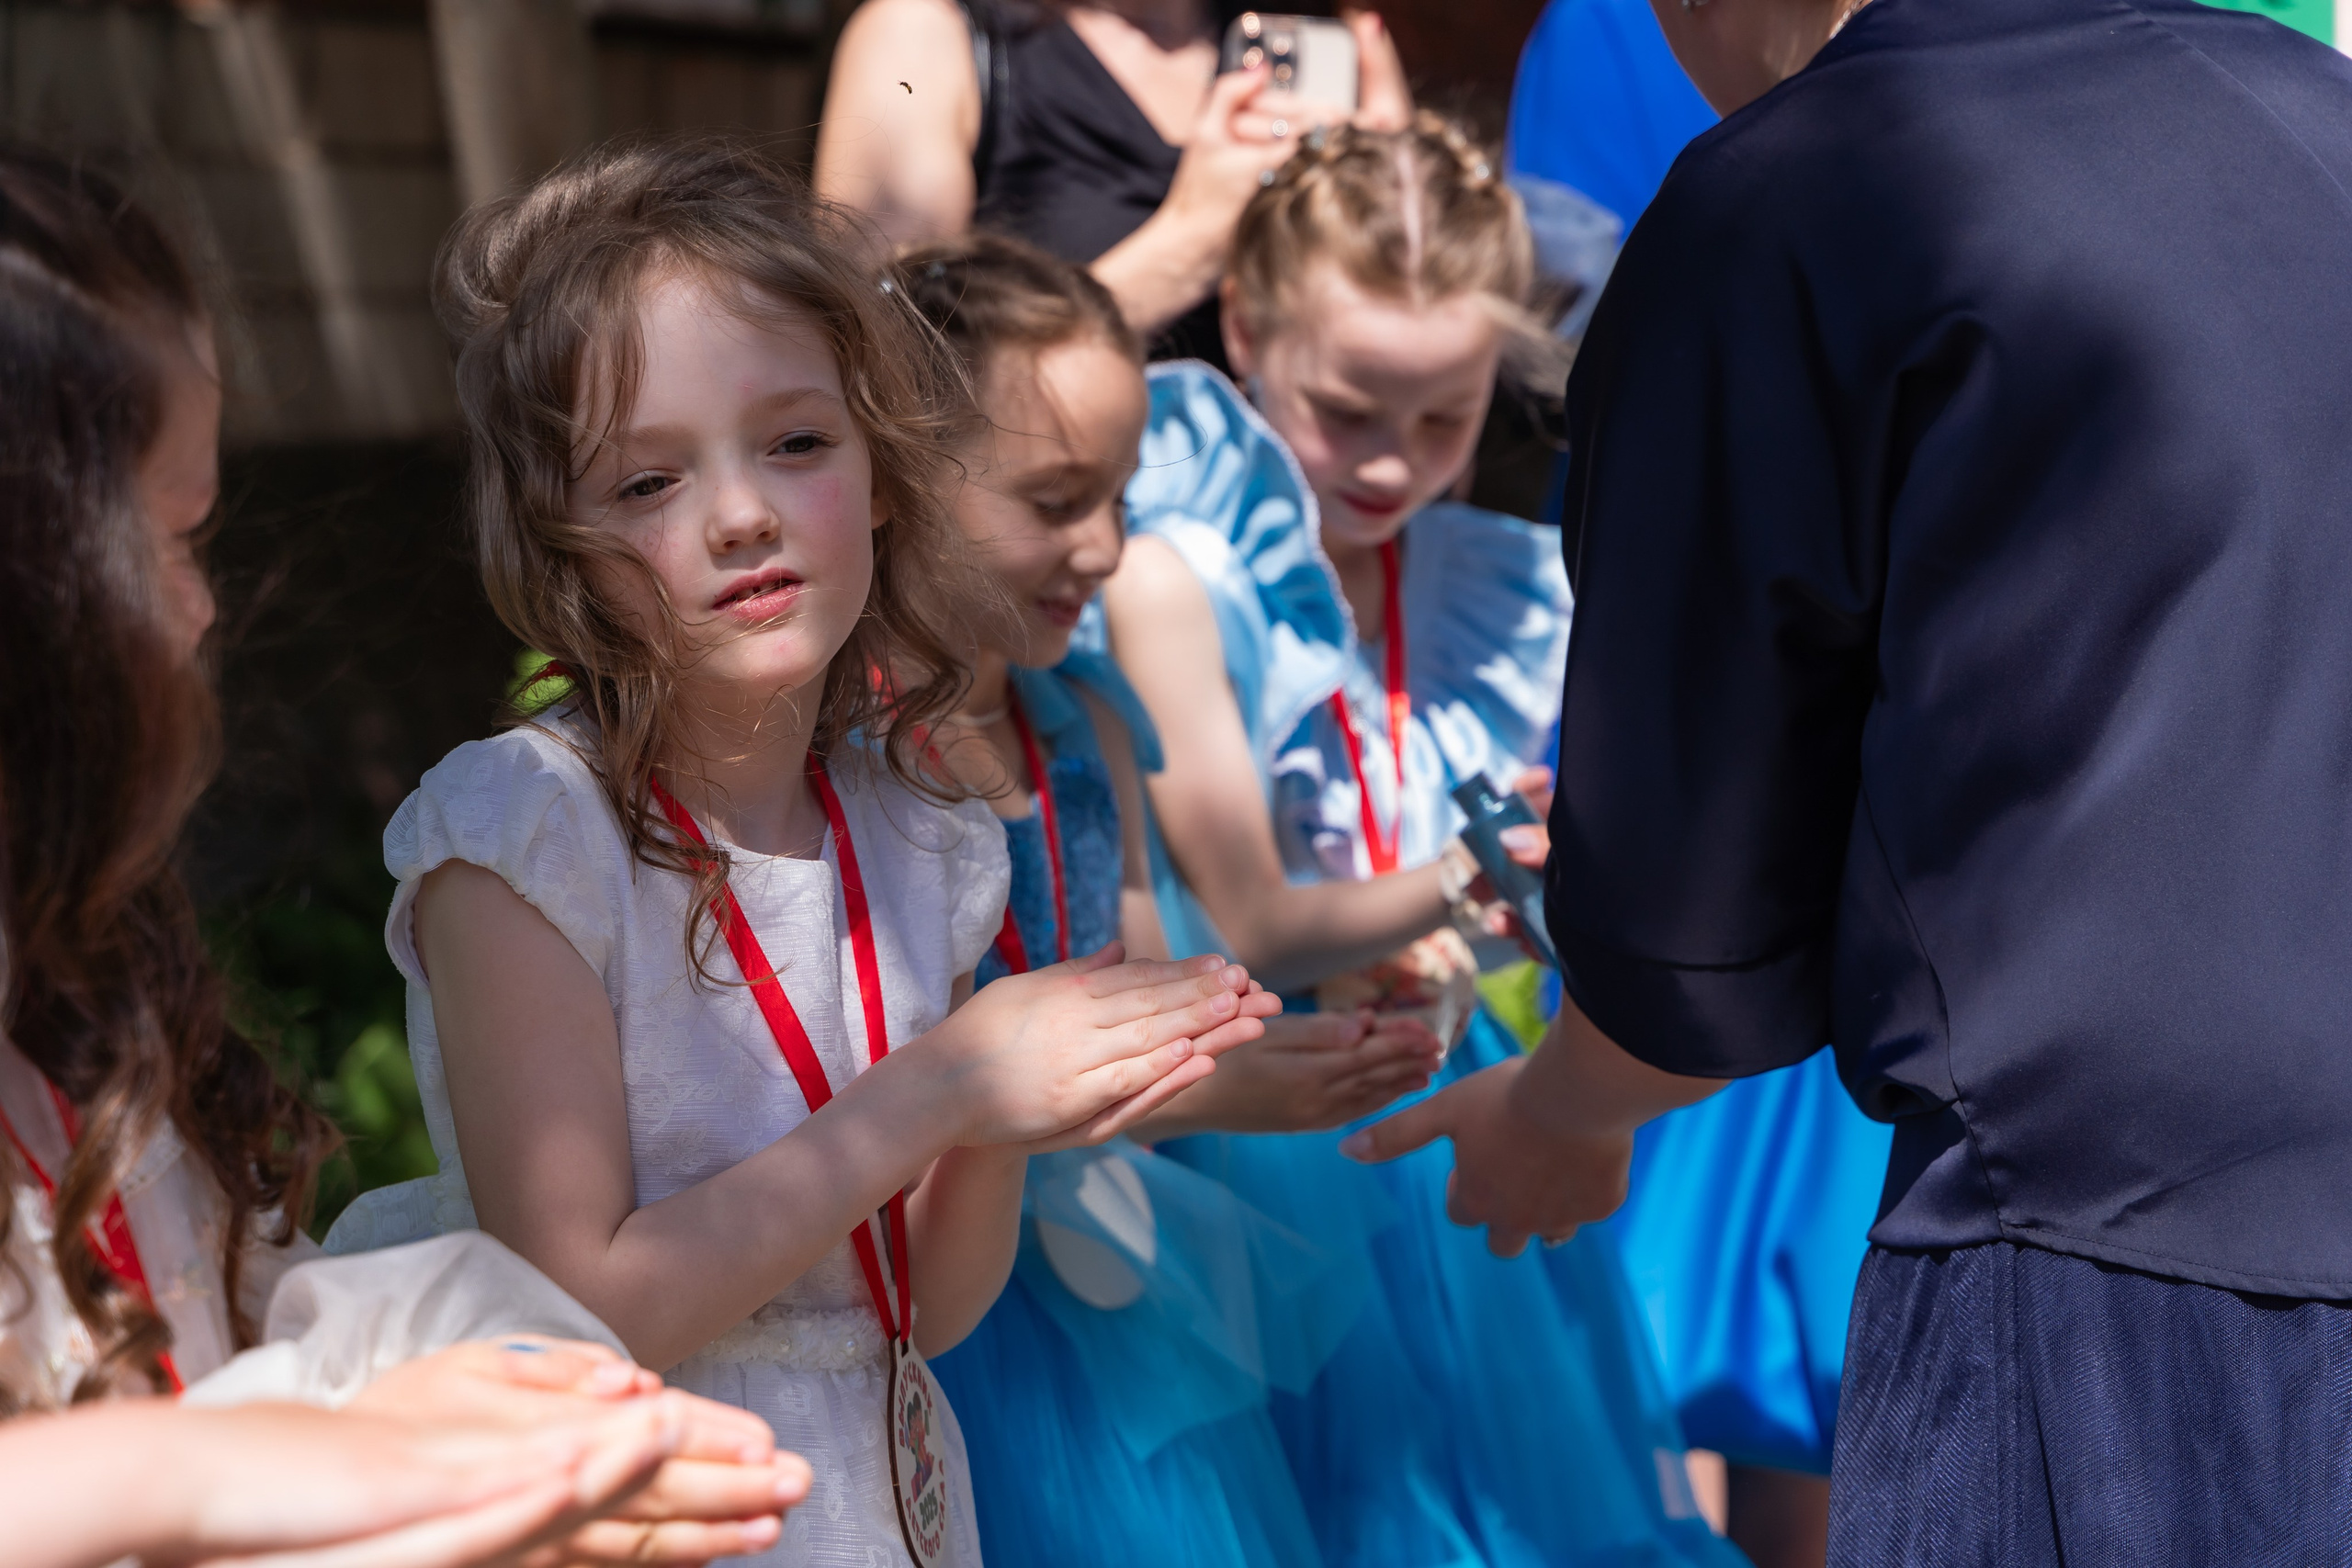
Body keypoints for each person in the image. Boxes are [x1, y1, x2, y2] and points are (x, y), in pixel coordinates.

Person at [1351, 0, 2352, 1560]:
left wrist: (1562, 1107)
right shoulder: (2310, 101)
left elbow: (1690, 908)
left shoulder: (1793, 191)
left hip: (2107, 1225)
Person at [325, 138, 1280, 1568]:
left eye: (795, 443)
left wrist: (1002, 1128)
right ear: (561, 540)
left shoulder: (916, 829)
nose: (741, 513)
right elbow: (585, 1306)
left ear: (884, 467)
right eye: (648, 479)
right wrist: (943, 1085)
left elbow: (922, 1309)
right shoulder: (523, 833)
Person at [0, 145, 805, 1565]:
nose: (201, 610)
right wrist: (216, 1467)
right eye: (166, 542)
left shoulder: (80, 976)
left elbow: (224, 1340)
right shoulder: (516, 833)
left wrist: (424, 1408)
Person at [1103, 114, 1738, 1567]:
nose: (1393, 464)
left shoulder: (1461, 582)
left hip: (1435, 1097)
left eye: (1445, 421)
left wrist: (1509, 903)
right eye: (1349, 410)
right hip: (1269, 1144)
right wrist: (1460, 875)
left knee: (1498, 1497)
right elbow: (1250, 915)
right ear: (1246, 328)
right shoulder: (1189, 574)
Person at [896, 231, 1436, 1567]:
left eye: (1120, 497)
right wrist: (1219, 1090)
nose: (1103, 546)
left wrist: (1269, 1048)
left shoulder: (1083, 719)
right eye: (1055, 498)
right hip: (948, 1307)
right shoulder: (858, 769)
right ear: (903, 472)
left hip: (1116, 1284)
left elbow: (1146, 989)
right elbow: (901, 1087)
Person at [813, 0, 1410, 362]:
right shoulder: (926, 36)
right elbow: (878, 374)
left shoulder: (1322, 39)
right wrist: (1189, 246)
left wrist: (1401, 229)